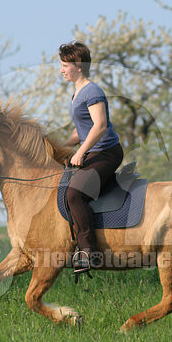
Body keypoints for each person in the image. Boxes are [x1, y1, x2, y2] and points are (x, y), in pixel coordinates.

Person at [59, 41, 123, 276]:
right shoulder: (76, 93)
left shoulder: (92, 91)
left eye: (65, 65)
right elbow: (82, 130)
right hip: (92, 151)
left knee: (74, 194)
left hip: (106, 152)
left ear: (77, 65)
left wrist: (80, 152)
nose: (61, 70)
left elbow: (100, 126)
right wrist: (59, 146)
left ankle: (88, 252)